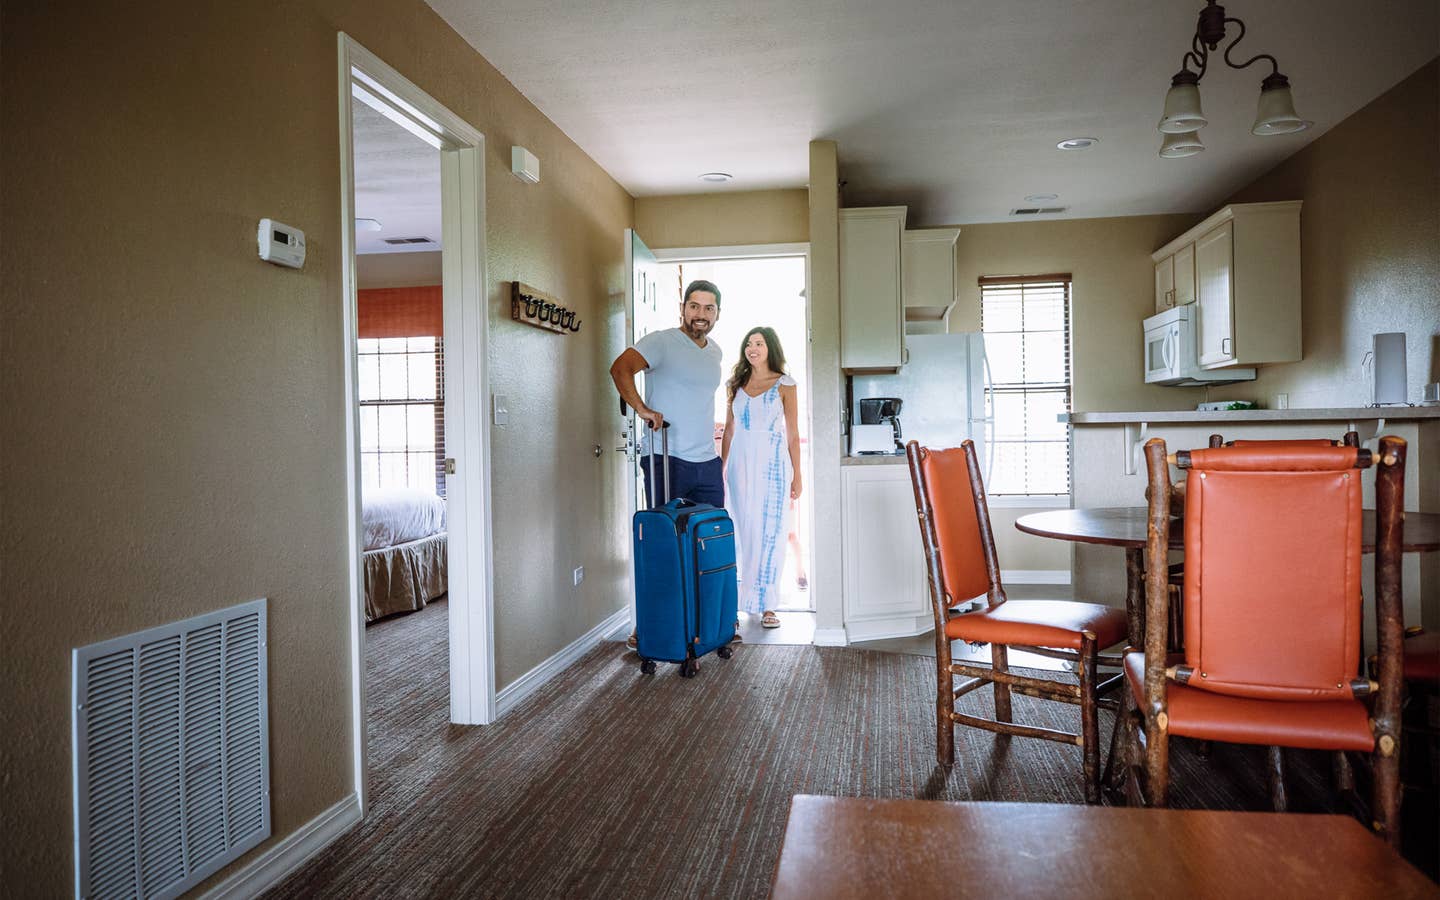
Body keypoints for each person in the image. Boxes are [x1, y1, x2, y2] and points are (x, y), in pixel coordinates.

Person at [610, 279, 724, 649]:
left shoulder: (716, 353)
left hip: (706, 461)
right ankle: (651, 629)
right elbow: (620, 369)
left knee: (708, 542)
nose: (700, 314)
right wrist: (642, 409)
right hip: (665, 458)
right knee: (665, 547)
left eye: (708, 308)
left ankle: (706, 625)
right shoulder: (661, 341)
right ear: (683, 307)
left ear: (717, 313)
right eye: (694, 306)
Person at [721, 326, 802, 628]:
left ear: (771, 348)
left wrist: (798, 475)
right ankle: (738, 605)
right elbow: (729, 430)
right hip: (740, 464)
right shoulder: (735, 384)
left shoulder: (785, 384)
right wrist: (722, 466)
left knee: (771, 531)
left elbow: (793, 434)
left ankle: (768, 605)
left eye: (759, 343)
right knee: (742, 530)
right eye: (749, 343)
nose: (753, 348)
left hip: (773, 463)